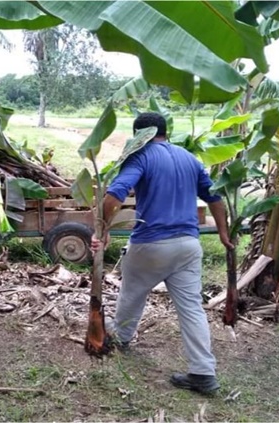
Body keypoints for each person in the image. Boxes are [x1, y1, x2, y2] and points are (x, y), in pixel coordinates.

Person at [90, 112, 234, 395]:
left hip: (151, 244)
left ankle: (121, 337)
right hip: (189, 246)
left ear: (138, 136)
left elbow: (115, 193)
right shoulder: (189, 158)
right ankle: (203, 373)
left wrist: (103, 230)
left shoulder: (140, 155)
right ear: (166, 132)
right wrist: (223, 233)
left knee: (132, 293)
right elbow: (214, 197)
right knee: (192, 309)